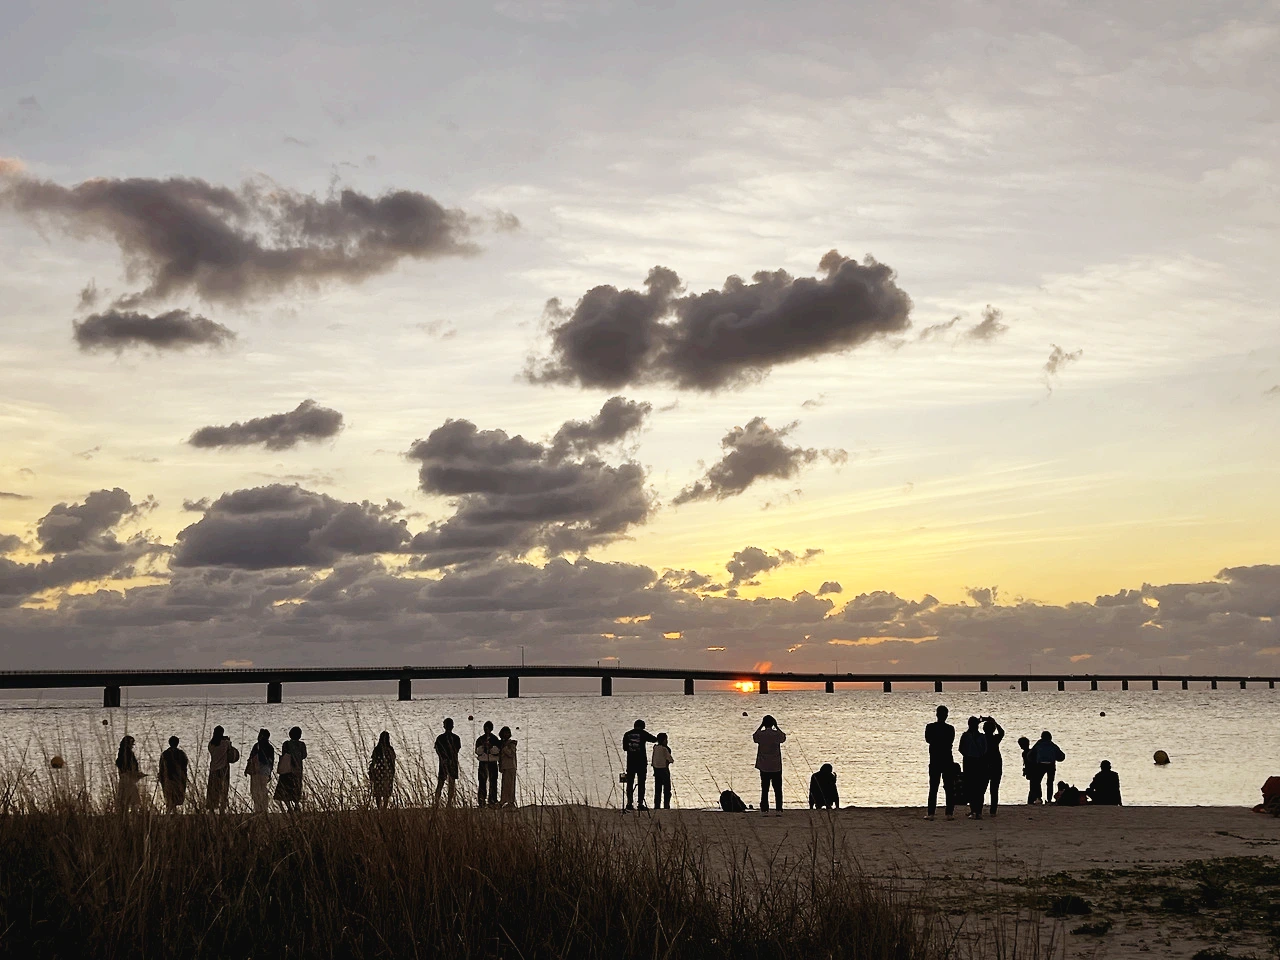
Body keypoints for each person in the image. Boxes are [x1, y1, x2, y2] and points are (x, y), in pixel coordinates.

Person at [925, 706, 957, 820]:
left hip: (935, 759)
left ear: (936, 714)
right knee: (949, 787)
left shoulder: (930, 727)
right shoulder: (950, 729)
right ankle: (949, 813)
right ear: (946, 715)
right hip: (947, 759)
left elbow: (928, 739)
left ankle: (931, 813)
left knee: (933, 787)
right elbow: (950, 741)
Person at [753, 715, 787, 815]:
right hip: (776, 765)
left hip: (764, 765)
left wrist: (760, 726)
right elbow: (783, 737)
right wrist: (777, 727)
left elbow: (755, 737)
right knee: (778, 789)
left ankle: (764, 809)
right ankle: (779, 809)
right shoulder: (776, 734)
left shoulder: (762, 734)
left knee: (764, 788)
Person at [622, 719, 657, 811]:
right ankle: (640, 804)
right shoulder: (643, 733)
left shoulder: (627, 734)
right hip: (641, 763)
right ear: (643, 726)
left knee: (630, 783)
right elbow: (654, 739)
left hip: (630, 763)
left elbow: (625, 748)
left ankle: (629, 803)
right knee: (641, 783)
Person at [958, 716, 988, 819]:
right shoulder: (981, 737)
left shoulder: (966, 736)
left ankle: (974, 810)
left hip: (969, 761)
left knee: (972, 786)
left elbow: (961, 749)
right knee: (976, 787)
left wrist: (968, 754)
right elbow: (985, 750)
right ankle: (977, 811)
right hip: (977, 761)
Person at [274, 726, 307, 810]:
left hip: (287, 769)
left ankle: (288, 806)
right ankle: (296, 805)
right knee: (296, 787)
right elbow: (304, 755)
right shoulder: (302, 745)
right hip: (298, 770)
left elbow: (284, 754)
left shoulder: (286, 744)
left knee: (285, 788)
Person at [206, 725, 238, 812]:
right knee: (223, 788)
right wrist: (227, 740)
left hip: (213, 769)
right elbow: (231, 750)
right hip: (223, 769)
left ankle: (212, 807)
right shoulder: (225, 743)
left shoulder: (211, 744)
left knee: (213, 789)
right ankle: (222, 807)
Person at [1031, 731, 1065, 805]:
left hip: (1040, 764)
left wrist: (1035, 760)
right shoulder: (1053, 745)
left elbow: (1030, 754)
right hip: (1051, 765)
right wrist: (1055, 758)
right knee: (1050, 783)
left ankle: (1039, 798)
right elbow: (1062, 756)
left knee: (1037, 782)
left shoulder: (1038, 744)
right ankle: (1049, 800)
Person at [434, 718, 461, 806]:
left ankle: (445, 802)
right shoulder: (443, 738)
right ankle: (440, 802)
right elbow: (438, 750)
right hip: (446, 762)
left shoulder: (453, 738)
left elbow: (456, 750)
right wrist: (445, 759)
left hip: (449, 762)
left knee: (448, 782)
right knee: (444, 782)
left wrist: (445, 758)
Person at [246, 729, 274, 814]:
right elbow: (271, 761)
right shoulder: (270, 747)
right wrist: (270, 773)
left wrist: (247, 769)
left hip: (256, 770)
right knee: (263, 789)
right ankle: (264, 808)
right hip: (265, 770)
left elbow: (251, 758)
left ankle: (257, 808)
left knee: (255, 790)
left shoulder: (257, 746)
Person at [157, 736, 188, 812]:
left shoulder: (165, 754)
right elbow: (185, 765)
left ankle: (171, 811)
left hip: (167, 778)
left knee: (169, 796)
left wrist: (161, 777)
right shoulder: (181, 753)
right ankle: (172, 811)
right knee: (176, 796)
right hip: (178, 778)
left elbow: (161, 766)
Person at [982, 716, 1005, 816]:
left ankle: (978, 808)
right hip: (996, 764)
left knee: (982, 788)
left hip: (985, 764)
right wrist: (994, 721)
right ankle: (993, 811)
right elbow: (1002, 732)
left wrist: (978, 722)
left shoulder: (982, 738)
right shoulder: (995, 738)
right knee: (994, 789)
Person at [476, 721, 501, 807]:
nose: (486, 730)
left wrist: (491, 747)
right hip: (483, 762)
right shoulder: (480, 739)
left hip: (492, 762)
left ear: (491, 729)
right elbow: (477, 752)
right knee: (482, 781)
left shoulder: (495, 739)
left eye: (488, 728)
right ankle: (481, 800)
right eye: (485, 728)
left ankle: (492, 799)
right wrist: (483, 747)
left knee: (493, 781)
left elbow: (498, 751)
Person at [369, 731, 396, 809]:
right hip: (388, 773)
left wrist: (371, 770)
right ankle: (384, 807)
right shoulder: (390, 749)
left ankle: (379, 808)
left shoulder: (377, 749)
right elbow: (393, 761)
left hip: (378, 773)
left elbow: (373, 760)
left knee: (378, 791)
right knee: (386, 791)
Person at [115, 735, 143, 812]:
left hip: (125, 779)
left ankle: (125, 817)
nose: (132, 746)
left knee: (124, 800)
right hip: (129, 780)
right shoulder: (127, 754)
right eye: (132, 744)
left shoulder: (121, 753)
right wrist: (137, 774)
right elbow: (129, 769)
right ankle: (133, 816)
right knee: (134, 799)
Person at [651, 732, 673, 809]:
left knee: (658, 789)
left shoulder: (655, 748)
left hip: (656, 770)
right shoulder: (665, 749)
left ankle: (657, 806)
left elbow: (653, 760)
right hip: (664, 770)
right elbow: (670, 760)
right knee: (667, 789)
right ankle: (666, 805)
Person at [498, 726, 518, 808]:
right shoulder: (502, 744)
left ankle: (511, 801)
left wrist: (505, 748)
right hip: (505, 767)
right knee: (505, 785)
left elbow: (511, 754)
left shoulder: (511, 744)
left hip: (511, 766)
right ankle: (504, 800)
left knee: (511, 785)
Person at [1018, 736, 1039, 804]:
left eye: (1021, 745)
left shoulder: (1026, 753)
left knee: (1033, 785)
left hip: (1032, 770)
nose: (1020, 747)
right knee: (1034, 785)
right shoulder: (1029, 752)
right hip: (1032, 770)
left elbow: (1028, 763)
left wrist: (1026, 771)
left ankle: (1032, 800)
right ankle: (1035, 799)